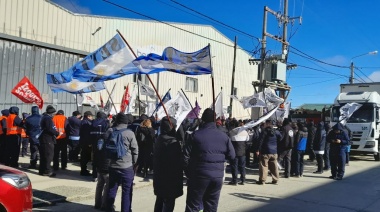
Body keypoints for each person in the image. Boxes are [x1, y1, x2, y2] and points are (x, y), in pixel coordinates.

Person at [183, 108, 235, 212]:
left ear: (202, 120)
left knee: (193, 206)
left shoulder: (195, 135)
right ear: (215, 120)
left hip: (198, 175)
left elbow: (185, 156)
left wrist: (188, 172)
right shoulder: (224, 136)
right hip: (217, 176)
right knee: (211, 206)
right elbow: (232, 155)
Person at [106, 113, 138, 212]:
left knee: (112, 187)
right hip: (126, 166)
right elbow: (135, 150)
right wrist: (134, 163)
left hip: (112, 164)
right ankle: (126, 209)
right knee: (127, 190)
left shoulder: (110, 130)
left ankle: (109, 207)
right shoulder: (129, 133)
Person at [153, 117, 183, 212]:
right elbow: (178, 159)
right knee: (169, 202)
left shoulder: (159, 139)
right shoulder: (172, 142)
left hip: (159, 176)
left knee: (160, 199)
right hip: (170, 177)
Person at [93, 112, 111, 210]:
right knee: (107, 186)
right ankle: (104, 205)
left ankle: (97, 203)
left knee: (99, 185)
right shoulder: (111, 141)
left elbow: (97, 152)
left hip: (99, 165)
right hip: (107, 166)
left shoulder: (100, 140)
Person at [256, 120, 282, 185]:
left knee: (264, 166)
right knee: (274, 166)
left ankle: (262, 180)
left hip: (265, 151)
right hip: (274, 151)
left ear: (267, 124)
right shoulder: (276, 132)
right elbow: (281, 138)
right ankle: (275, 179)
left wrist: (257, 150)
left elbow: (260, 141)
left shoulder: (264, 132)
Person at [39, 105, 59, 177]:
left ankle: (42, 170)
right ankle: (47, 171)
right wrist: (56, 133)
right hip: (47, 139)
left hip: (44, 139)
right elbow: (49, 129)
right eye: (54, 114)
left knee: (44, 155)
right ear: (51, 113)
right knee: (48, 156)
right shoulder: (48, 119)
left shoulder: (44, 117)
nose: (54, 115)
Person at [91, 111, 110, 182]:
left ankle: (94, 175)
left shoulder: (93, 122)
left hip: (94, 143)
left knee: (95, 158)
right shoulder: (106, 122)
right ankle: (102, 175)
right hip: (103, 143)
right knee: (103, 159)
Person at [80, 111, 94, 176]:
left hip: (83, 141)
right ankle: (83, 170)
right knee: (85, 156)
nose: (92, 118)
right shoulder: (86, 123)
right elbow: (87, 134)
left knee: (84, 156)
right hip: (86, 142)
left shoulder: (83, 122)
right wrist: (89, 143)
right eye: (91, 116)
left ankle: (84, 169)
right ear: (88, 116)